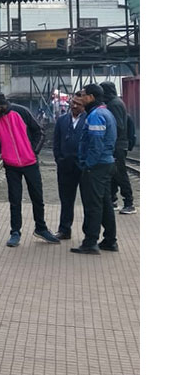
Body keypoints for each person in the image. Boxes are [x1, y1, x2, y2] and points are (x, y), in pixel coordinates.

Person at [0, 89, 55, 247]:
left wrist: (33, 151)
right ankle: (15, 232)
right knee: (14, 200)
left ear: (2, 104)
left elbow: (39, 132)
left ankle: (41, 228)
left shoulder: (21, 112)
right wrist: (1, 154)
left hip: (30, 162)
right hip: (11, 165)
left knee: (37, 197)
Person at [71, 83, 117, 253]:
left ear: (90, 97)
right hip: (106, 164)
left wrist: (88, 164)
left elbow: (96, 143)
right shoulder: (106, 112)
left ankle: (90, 242)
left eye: (83, 95)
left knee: (93, 205)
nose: (80, 98)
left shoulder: (96, 115)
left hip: (97, 166)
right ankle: (110, 240)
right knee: (105, 203)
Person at [99, 81, 137, 214]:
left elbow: (118, 126)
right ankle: (112, 200)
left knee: (120, 174)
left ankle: (129, 202)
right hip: (119, 143)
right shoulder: (116, 102)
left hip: (117, 144)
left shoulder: (114, 104)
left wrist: (109, 139)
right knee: (114, 173)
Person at [51, 95, 85, 241]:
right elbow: (56, 141)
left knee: (88, 201)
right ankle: (64, 230)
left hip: (83, 167)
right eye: (73, 103)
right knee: (66, 200)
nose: (75, 106)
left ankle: (89, 234)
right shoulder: (62, 120)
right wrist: (59, 158)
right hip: (65, 166)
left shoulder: (89, 119)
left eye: (79, 104)